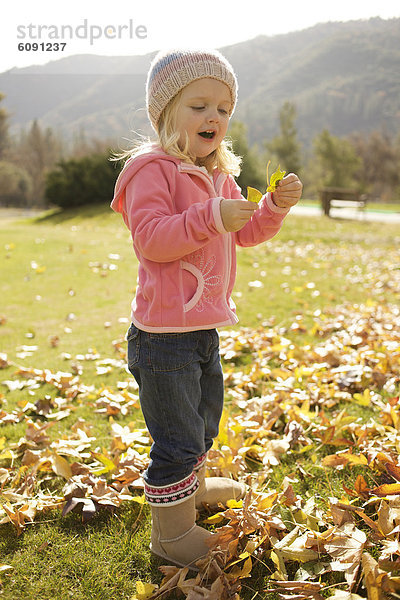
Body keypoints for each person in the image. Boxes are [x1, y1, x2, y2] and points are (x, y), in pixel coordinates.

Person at [111, 49, 302, 569]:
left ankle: (190, 494)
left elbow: (245, 233)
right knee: (177, 435)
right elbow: (152, 238)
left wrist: (272, 209)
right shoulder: (150, 171)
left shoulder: (218, 173)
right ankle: (171, 538)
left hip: (201, 325)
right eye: (198, 106)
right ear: (165, 113)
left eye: (222, 108)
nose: (213, 118)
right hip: (162, 335)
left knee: (202, 420)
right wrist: (211, 215)